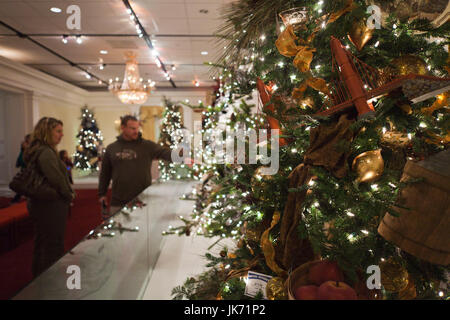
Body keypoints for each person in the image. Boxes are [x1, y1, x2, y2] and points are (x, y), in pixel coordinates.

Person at [98, 115, 185, 214]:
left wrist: (180, 155)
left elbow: (165, 153)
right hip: (118, 201)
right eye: (132, 128)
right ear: (123, 128)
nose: (136, 131)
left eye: (137, 128)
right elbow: (105, 174)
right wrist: (102, 194)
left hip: (143, 199)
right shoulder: (111, 148)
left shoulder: (147, 146)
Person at [24, 117, 75, 278]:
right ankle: (51, 280)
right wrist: (69, 195)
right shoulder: (46, 152)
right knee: (53, 243)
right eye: (58, 131)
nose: (61, 135)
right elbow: (57, 179)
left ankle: (40, 277)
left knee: (42, 242)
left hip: (40, 203)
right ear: (47, 132)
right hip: (50, 205)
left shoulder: (37, 149)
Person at [10, 134, 31, 204]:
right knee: (23, 186)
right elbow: (21, 161)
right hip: (26, 171)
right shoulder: (25, 149)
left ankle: (16, 200)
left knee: (25, 186)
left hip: (28, 171)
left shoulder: (29, 148)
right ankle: (15, 200)